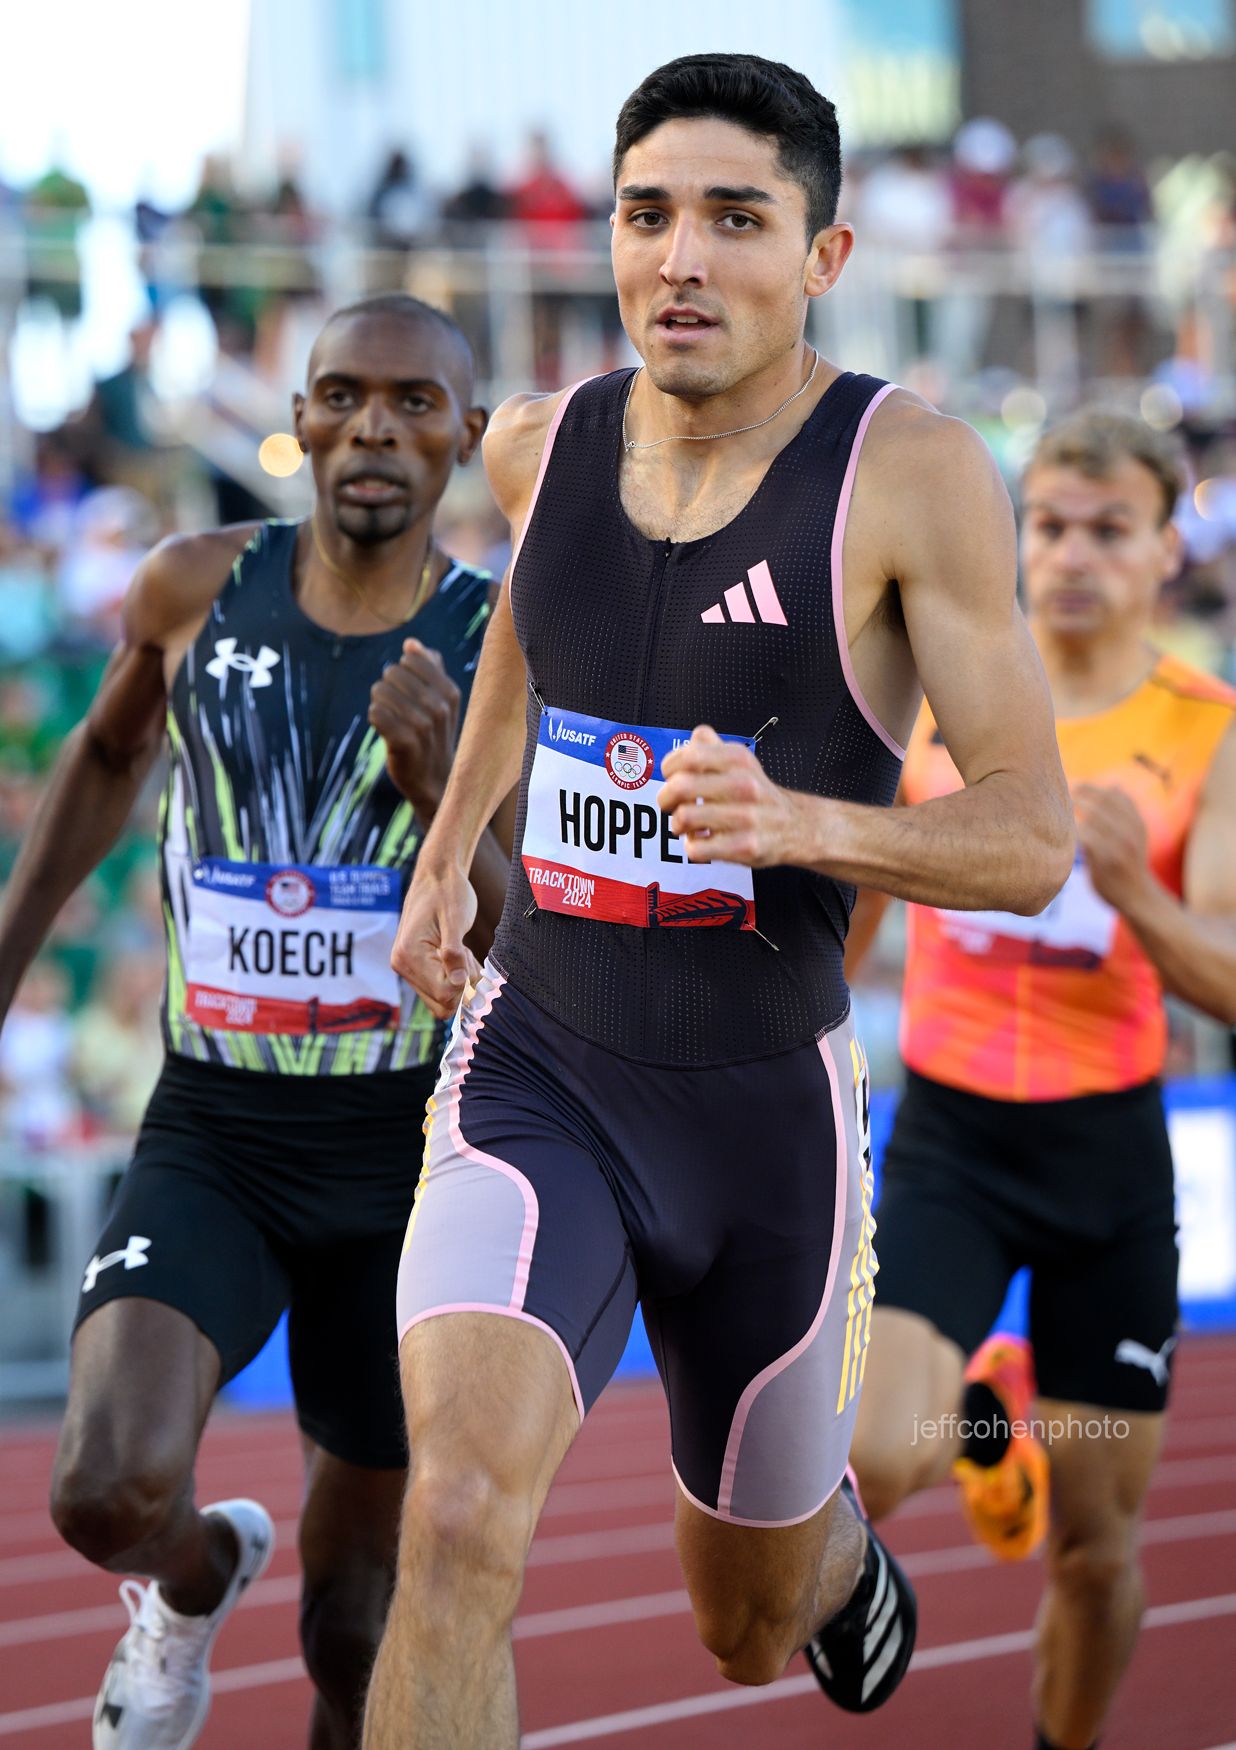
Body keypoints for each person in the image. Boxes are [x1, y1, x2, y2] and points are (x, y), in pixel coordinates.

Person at [363, 53, 1074, 1749]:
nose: (679, 256)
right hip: (542, 1055)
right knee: (455, 1517)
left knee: (743, 1631)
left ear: (823, 258)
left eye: (735, 219)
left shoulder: (913, 477)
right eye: (646, 214)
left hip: (768, 1112)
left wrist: (804, 822)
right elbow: (528, 634)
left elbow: (1033, 834)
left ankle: (826, 1552)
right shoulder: (545, 442)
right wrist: (455, 840)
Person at [0, 292, 509, 1750]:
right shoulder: (188, 588)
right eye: (342, 394)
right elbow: (102, 763)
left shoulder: (499, 647)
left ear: (464, 438)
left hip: (405, 1156)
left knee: (356, 1629)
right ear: (295, 424)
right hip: (217, 1126)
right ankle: (198, 1569)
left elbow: (528, 931)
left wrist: (442, 806)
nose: (375, 427)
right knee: (105, 1486)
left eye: (416, 403)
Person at [848, 410, 1236, 1750]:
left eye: (1107, 530)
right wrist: (818, 1027)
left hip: (1109, 1159)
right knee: (878, 1456)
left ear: (1164, 547)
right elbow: (863, 869)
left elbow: (1230, 973)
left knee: (1095, 1546)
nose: (1071, 555)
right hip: (952, 1135)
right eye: (1050, 526)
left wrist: (1135, 890)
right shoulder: (950, 690)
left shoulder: (1206, 729)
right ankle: (971, 1417)